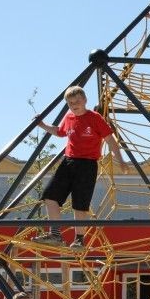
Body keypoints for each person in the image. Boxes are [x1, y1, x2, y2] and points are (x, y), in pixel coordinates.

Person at [32, 86, 127, 249]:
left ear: (85, 100)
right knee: (50, 196)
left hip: (87, 164)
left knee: (79, 203)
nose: (74, 105)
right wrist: (42, 125)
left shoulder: (95, 118)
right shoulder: (68, 117)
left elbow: (110, 140)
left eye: (77, 101)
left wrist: (120, 160)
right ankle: (55, 234)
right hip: (68, 162)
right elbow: (59, 132)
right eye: (70, 102)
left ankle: (79, 239)